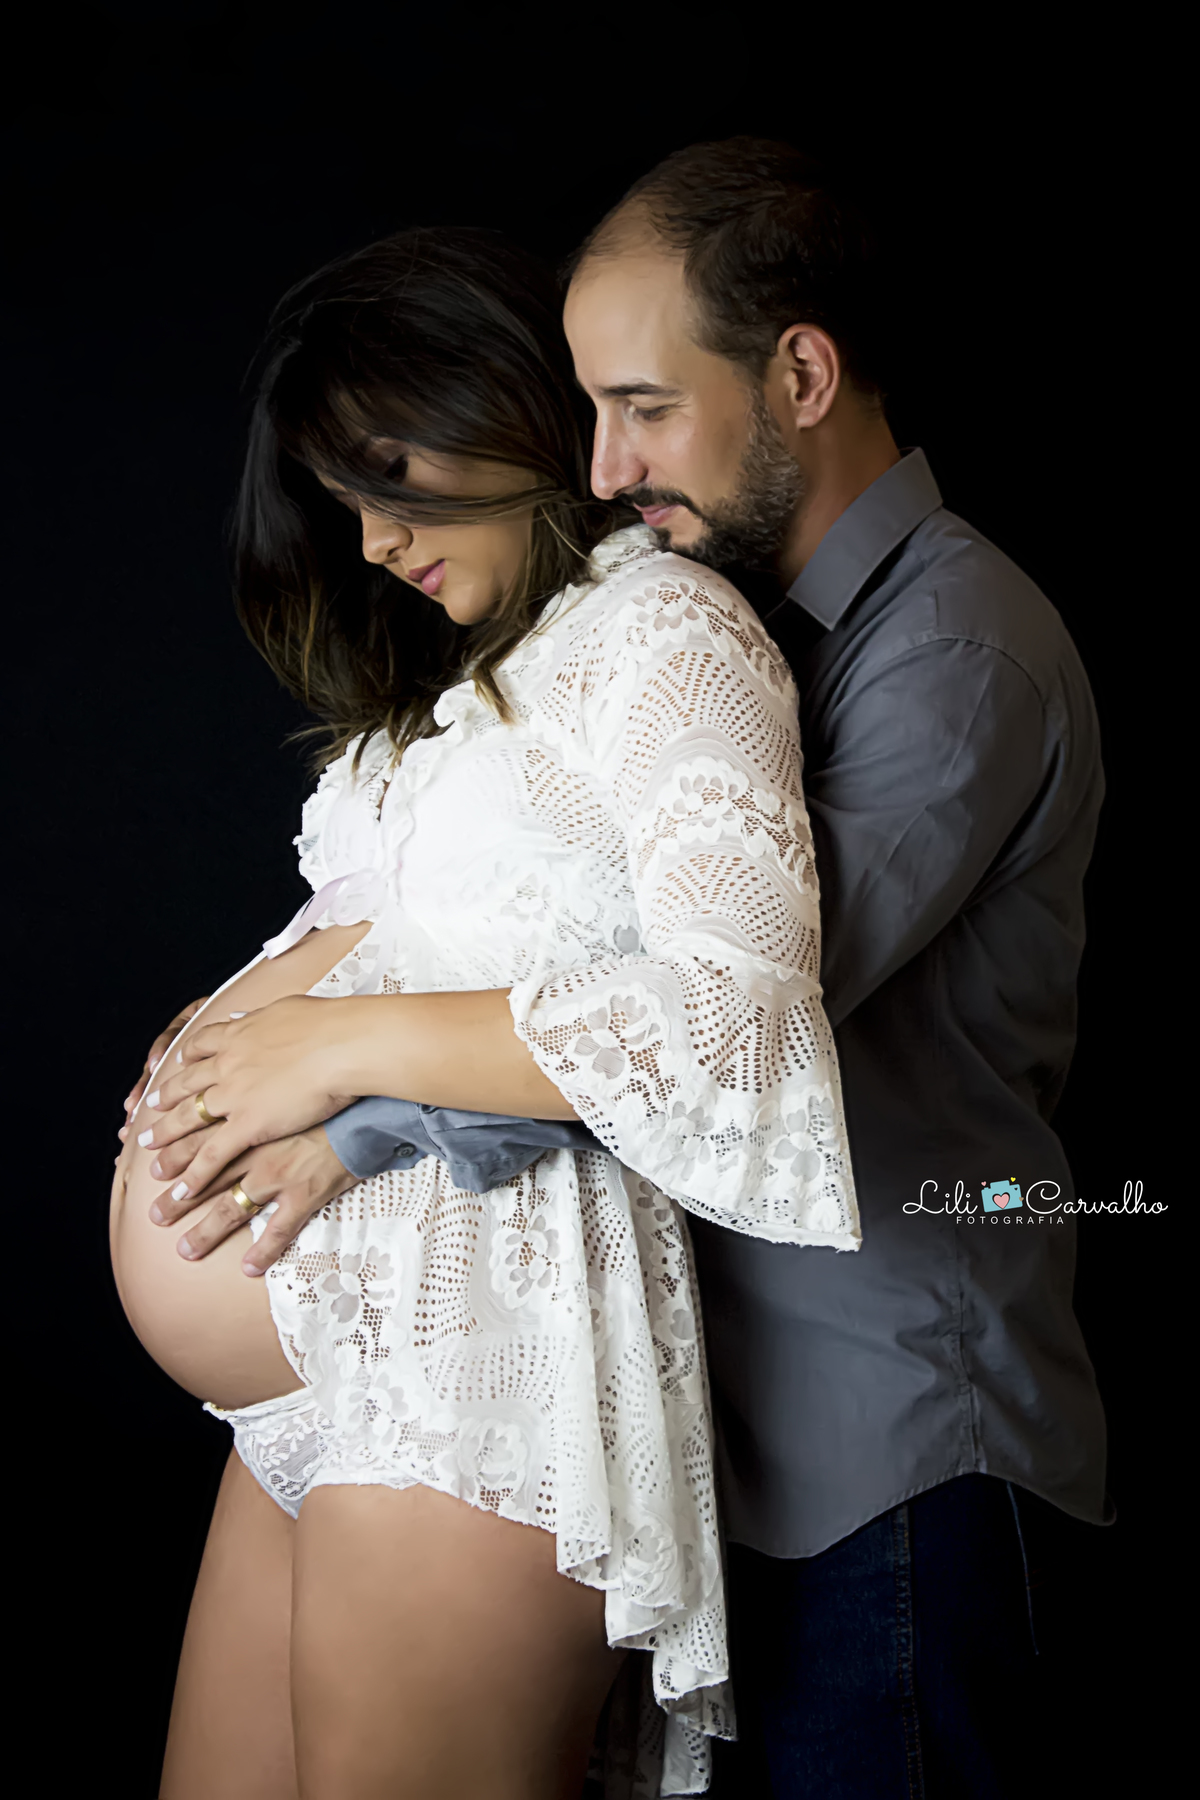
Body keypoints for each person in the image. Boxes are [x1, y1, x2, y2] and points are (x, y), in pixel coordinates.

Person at [138, 141, 1111, 1794]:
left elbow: (722, 1026)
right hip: (749, 1399)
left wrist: (341, 1085)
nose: (602, 462)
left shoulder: (945, 647)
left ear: (797, 375)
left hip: (894, 1412)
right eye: (583, 409)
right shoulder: (742, 620)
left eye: (641, 408)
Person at [112, 222, 858, 1799]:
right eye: (346, 506)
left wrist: (339, 1051)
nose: (374, 544)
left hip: (484, 1343)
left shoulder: (665, 634)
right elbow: (416, 936)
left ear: (503, 399)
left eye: (390, 480)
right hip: (329, 1368)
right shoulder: (462, 695)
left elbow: (741, 1024)